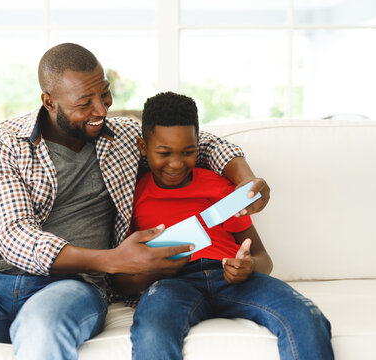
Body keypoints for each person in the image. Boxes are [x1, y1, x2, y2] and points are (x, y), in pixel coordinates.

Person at [0, 44, 270, 360]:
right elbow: (14, 237)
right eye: (85, 103)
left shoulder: (123, 139)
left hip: (74, 286)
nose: (101, 111)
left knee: (41, 328)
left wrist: (245, 178)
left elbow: (204, 145)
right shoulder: (2, 144)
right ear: (49, 101)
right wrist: (114, 259)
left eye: (105, 96)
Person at [113, 91, 333, 360]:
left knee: (306, 315)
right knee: (151, 330)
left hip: (231, 276)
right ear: (142, 148)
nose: (176, 163)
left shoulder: (218, 187)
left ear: (198, 145)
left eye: (188, 152)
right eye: (164, 152)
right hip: (172, 284)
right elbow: (123, 279)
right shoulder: (133, 197)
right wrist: (150, 271)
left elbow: (264, 258)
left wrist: (249, 266)